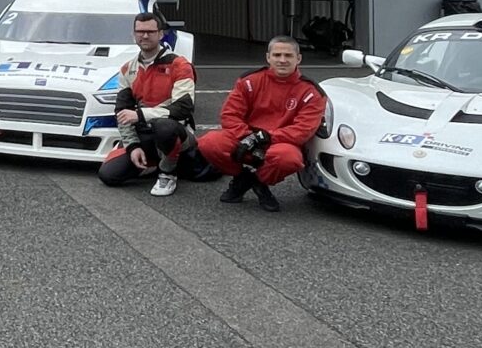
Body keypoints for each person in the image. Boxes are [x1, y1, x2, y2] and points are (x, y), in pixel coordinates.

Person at [195, 36, 326, 212]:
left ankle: (256, 180)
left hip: (280, 143)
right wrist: (248, 137)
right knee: (209, 143)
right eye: (277, 55)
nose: (282, 60)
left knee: (288, 159)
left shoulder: (311, 92)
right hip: (245, 138)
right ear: (268, 57)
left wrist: (265, 137)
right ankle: (243, 176)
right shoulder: (250, 81)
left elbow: (302, 130)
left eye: (288, 55)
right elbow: (230, 115)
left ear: (298, 59)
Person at [98, 12, 196, 193]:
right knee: (109, 175)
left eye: (150, 32)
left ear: (161, 34)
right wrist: (133, 146)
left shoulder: (180, 65)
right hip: (145, 133)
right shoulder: (128, 69)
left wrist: (141, 114)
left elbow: (183, 108)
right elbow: (122, 112)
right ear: (133, 35)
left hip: (177, 132)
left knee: (164, 126)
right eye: (140, 31)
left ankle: (168, 173)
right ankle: (155, 161)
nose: (144, 36)